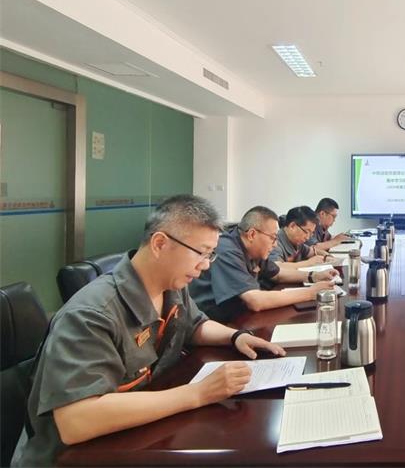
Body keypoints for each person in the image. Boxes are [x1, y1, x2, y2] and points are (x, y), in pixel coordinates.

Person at [13, 195, 286, 467]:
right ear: (159, 244)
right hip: (77, 458)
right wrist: (199, 393)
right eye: (201, 253)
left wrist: (235, 337)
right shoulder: (91, 314)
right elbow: (77, 420)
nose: (205, 265)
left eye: (210, 255)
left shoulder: (172, 286)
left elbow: (194, 325)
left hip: (137, 438)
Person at [188, 206, 335, 323]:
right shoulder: (227, 250)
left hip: (239, 317)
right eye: (273, 238)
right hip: (213, 324)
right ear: (252, 234)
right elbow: (255, 301)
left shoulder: (255, 250)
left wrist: (313, 276)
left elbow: (278, 274)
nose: (275, 244)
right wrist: (310, 293)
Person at [268, 205, 340, 284]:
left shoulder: (297, 242)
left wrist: (327, 257)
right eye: (306, 232)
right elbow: (276, 267)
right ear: (292, 226)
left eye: (311, 233)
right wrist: (308, 263)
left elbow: (313, 251)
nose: (308, 237)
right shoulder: (275, 243)